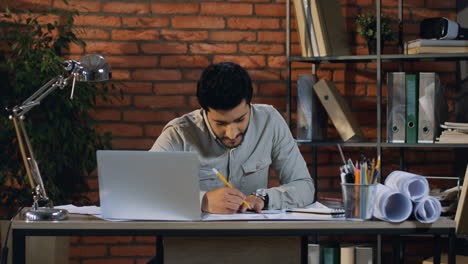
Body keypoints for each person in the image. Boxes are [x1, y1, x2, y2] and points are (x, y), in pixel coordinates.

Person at [150, 62, 314, 214]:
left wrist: (265, 198)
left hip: (256, 239)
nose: (232, 134)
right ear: (204, 110)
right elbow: (143, 189)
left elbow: (304, 186)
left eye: (240, 120)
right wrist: (202, 201)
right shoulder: (179, 133)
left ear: (250, 104)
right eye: (220, 123)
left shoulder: (270, 121)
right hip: (192, 240)